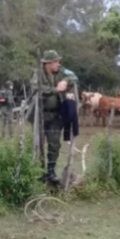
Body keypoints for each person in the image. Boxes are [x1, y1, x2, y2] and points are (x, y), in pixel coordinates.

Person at [30, 50, 78, 184]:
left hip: (56, 114)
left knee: (55, 144)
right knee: (37, 144)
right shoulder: (38, 74)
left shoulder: (61, 71)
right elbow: (36, 88)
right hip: (40, 114)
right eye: (55, 61)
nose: (58, 63)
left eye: (58, 61)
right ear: (48, 63)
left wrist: (65, 81)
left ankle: (50, 171)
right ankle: (38, 172)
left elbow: (74, 77)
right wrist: (54, 90)